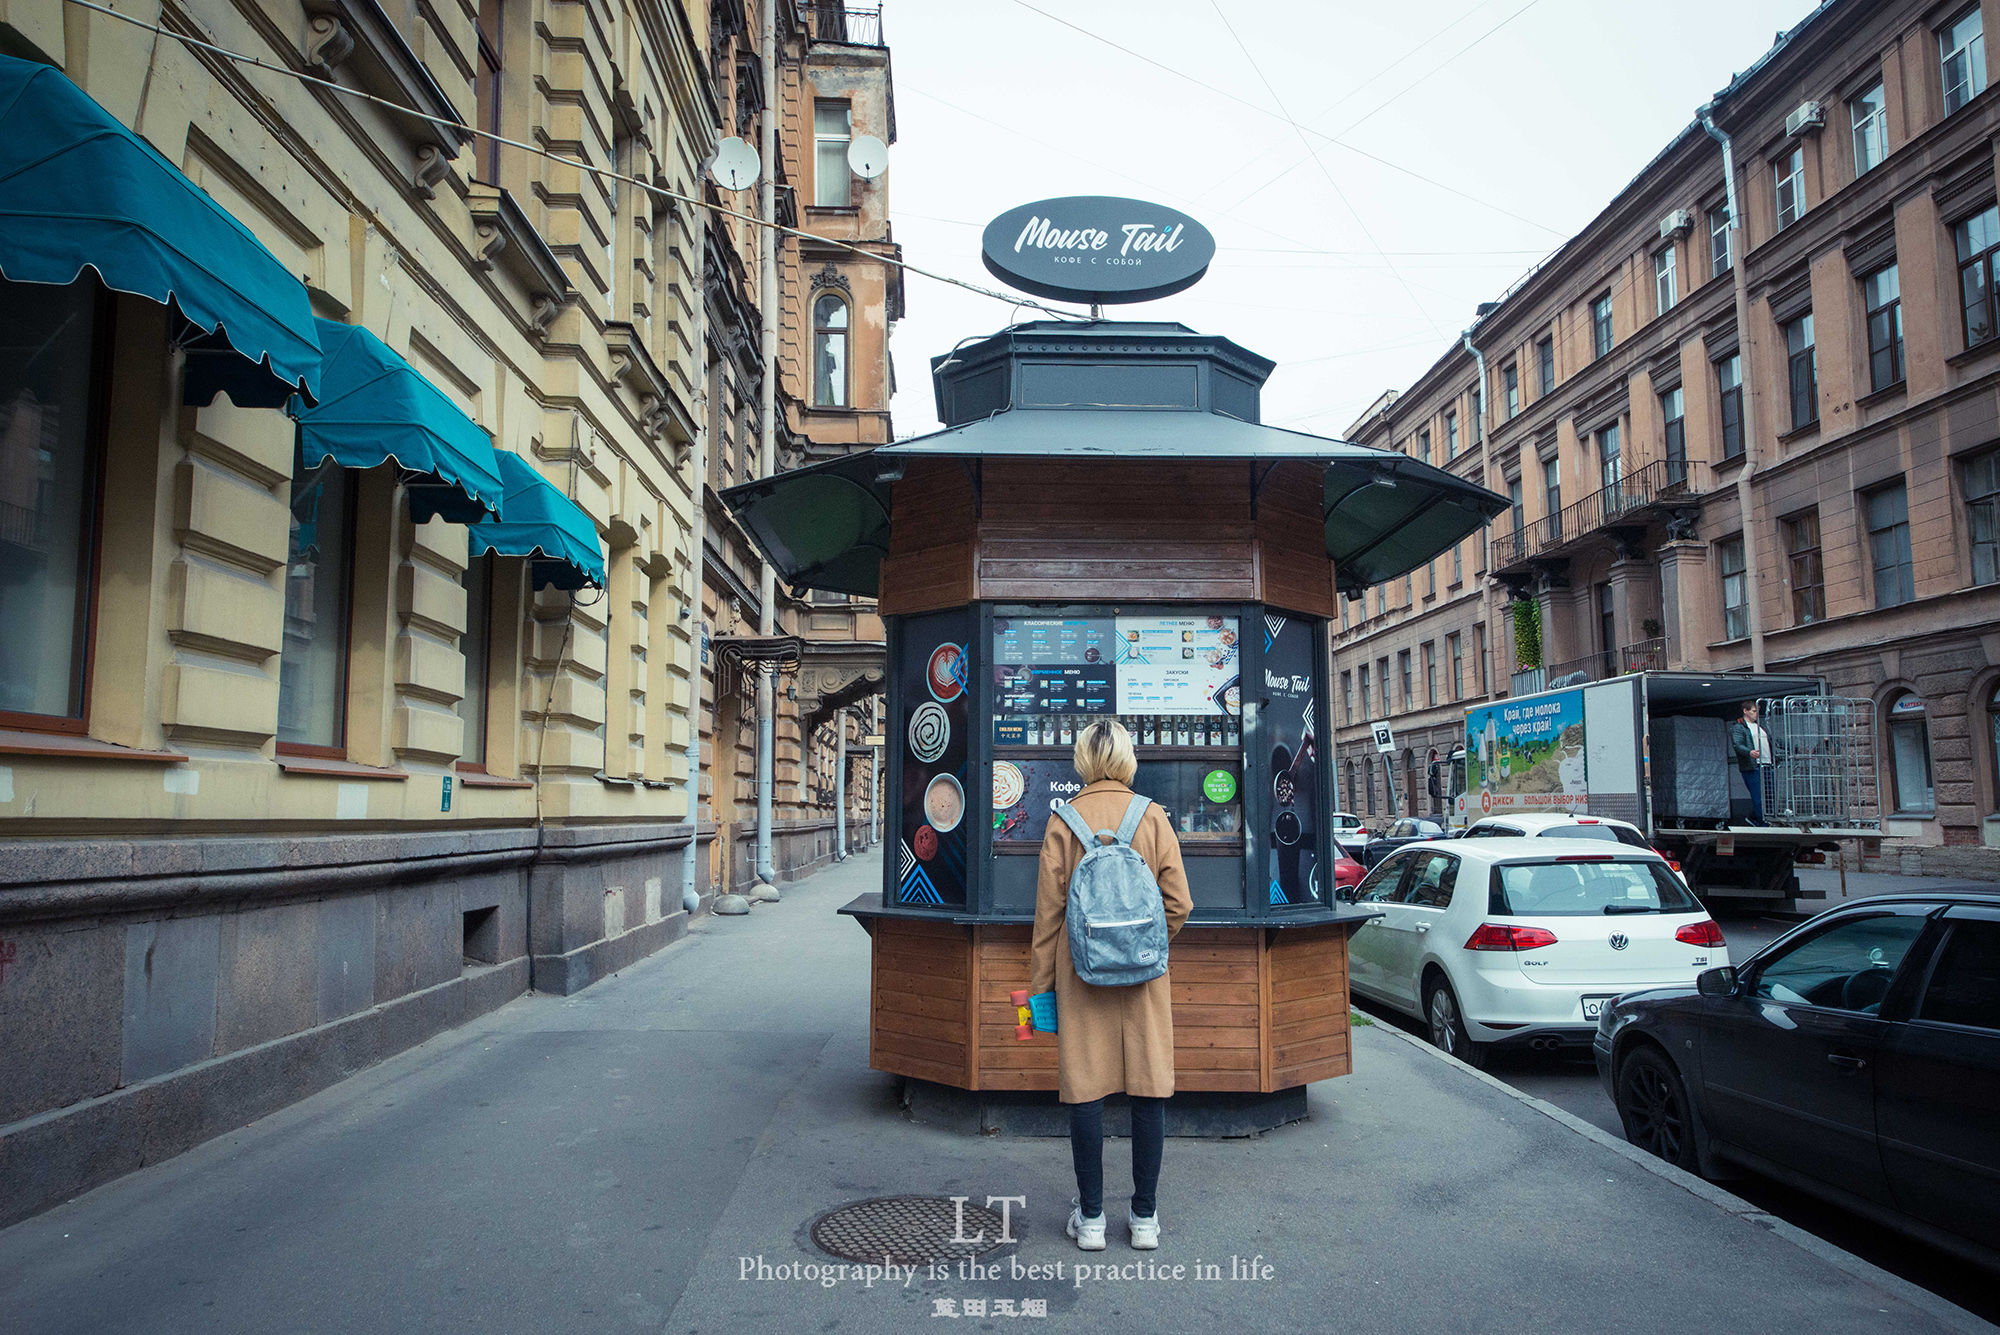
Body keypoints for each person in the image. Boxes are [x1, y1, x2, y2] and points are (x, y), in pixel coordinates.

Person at [1030, 718, 1192, 1252]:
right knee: (1149, 1089)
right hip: (1144, 979)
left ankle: (1093, 1219)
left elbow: (1048, 918)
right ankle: (1144, 1218)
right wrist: (1145, 944)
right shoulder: (1151, 816)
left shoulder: (1062, 821)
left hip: (1081, 977)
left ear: (1082, 760)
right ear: (1126, 759)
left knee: (1085, 1091)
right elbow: (1180, 902)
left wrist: (1040, 996)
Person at [1729, 700, 1774, 826]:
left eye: (1757, 711)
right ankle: (1762, 821)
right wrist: (1749, 752)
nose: (1756, 714)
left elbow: (1774, 742)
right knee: (1758, 796)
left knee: (1770, 795)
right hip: (1753, 766)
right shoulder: (1739, 727)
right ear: (1745, 711)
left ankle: (1755, 817)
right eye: (1754, 711)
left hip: (1767, 764)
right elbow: (1737, 745)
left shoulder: (1761, 727)